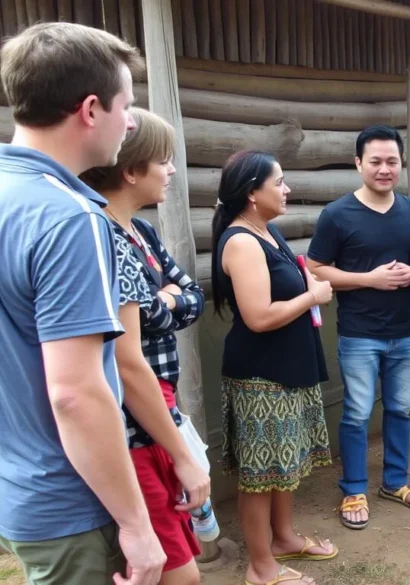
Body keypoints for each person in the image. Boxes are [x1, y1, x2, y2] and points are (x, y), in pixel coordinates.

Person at [0, 22, 167, 585]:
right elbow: (74, 392)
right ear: (91, 109)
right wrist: (136, 524)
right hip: (71, 501)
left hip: (18, 486)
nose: (132, 122)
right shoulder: (69, 217)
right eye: (128, 105)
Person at [80, 108, 212, 585]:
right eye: (164, 160)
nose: (172, 170)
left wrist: (164, 302)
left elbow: (193, 297)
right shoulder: (106, 237)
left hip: (160, 412)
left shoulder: (144, 231)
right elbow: (130, 354)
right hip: (134, 429)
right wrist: (165, 302)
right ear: (132, 171)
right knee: (178, 573)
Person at [212, 150, 337, 585]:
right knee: (260, 474)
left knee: (284, 464)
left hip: (287, 366)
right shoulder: (242, 242)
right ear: (252, 192)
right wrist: (312, 297)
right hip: (259, 376)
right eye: (279, 182)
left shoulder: (265, 231)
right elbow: (259, 317)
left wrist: (307, 287)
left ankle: (283, 538)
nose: (287, 189)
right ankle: (261, 566)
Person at [306, 125, 410, 529]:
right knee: (358, 413)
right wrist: (370, 279)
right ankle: (354, 489)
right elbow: (316, 268)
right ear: (358, 163)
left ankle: (395, 482)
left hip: (405, 330)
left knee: (399, 409)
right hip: (359, 333)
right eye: (375, 161)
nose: (384, 169)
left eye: (392, 161)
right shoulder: (337, 214)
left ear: (401, 164)